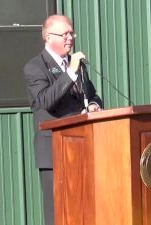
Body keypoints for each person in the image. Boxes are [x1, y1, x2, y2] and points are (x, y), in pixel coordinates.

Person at [24, 14, 102, 225]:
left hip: (82, 146)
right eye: (65, 34)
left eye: (71, 33)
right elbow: (45, 101)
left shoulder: (77, 65)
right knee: (58, 213)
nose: (70, 38)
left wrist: (94, 105)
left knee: (83, 207)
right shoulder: (35, 67)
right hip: (54, 151)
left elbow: (92, 94)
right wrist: (70, 72)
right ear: (49, 37)